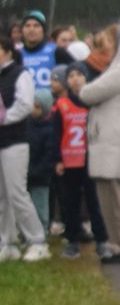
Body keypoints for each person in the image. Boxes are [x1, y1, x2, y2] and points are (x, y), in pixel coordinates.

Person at [78, 24, 120, 263]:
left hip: (112, 137)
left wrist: (81, 86)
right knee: (108, 192)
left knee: (113, 195)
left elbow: (88, 94)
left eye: (111, 41)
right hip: (110, 135)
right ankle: (118, 242)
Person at [0, 31, 51, 262]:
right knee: (2, 196)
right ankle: (8, 242)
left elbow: (24, 105)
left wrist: (4, 119)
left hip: (15, 142)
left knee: (17, 192)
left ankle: (37, 241)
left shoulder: (20, 74)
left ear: (8, 51)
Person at [54, 68, 106, 256]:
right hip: (69, 159)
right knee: (71, 202)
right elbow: (56, 133)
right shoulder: (61, 104)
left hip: (90, 158)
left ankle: (101, 239)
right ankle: (72, 240)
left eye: (79, 75)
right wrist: (58, 159)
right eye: (71, 76)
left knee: (94, 200)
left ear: (87, 78)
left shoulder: (94, 103)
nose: (75, 80)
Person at [26, 89, 56, 237]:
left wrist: (37, 171)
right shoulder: (27, 125)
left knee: (40, 206)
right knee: (26, 206)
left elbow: (49, 156)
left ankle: (42, 231)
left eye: (37, 107)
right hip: (26, 173)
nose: (33, 109)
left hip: (41, 176)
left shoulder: (50, 129)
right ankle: (26, 232)